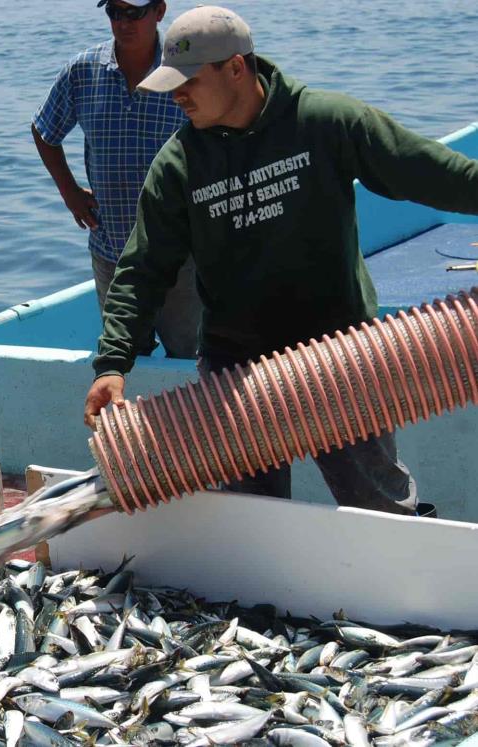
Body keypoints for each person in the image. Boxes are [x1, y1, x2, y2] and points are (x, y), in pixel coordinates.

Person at [83, 5, 478, 514]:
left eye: (188, 81)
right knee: (254, 523)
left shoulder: (326, 122)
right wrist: (113, 363)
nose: (176, 95)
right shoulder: (178, 165)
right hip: (237, 372)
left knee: (382, 509)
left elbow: (431, 173)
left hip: (340, 353)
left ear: (236, 68)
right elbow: (143, 271)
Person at [32, 0, 201, 358]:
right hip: (112, 253)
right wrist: (69, 192)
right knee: (124, 360)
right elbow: (44, 131)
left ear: (159, 11)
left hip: (180, 255)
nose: (123, 22)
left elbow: (223, 143)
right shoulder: (83, 71)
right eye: (115, 12)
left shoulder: (185, 72)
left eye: (134, 12)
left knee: (192, 358)